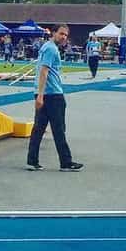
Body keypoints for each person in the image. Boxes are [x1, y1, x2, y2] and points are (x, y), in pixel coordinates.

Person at [26, 24, 83, 172]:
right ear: (53, 33)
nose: (64, 37)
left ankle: (32, 161)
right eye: (61, 34)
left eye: (65, 35)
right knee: (58, 129)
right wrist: (40, 95)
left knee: (38, 128)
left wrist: (39, 94)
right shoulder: (51, 49)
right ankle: (66, 162)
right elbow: (44, 71)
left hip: (46, 93)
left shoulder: (47, 47)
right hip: (52, 95)